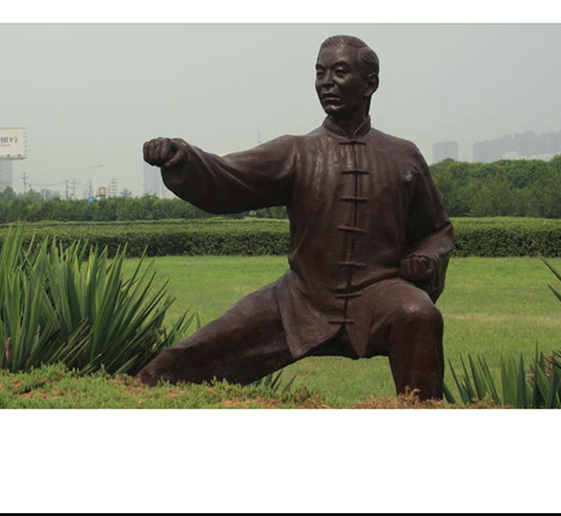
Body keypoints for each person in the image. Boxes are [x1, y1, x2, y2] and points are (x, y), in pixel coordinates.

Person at [137, 35, 454, 400]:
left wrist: (426, 258)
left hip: (379, 295)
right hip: (301, 298)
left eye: (339, 72)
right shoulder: (299, 152)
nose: (326, 83)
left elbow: (436, 230)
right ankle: (130, 395)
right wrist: (182, 158)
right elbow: (230, 175)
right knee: (174, 368)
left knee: (418, 313)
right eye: (320, 73)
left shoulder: (403, 156)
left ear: (370, 84)